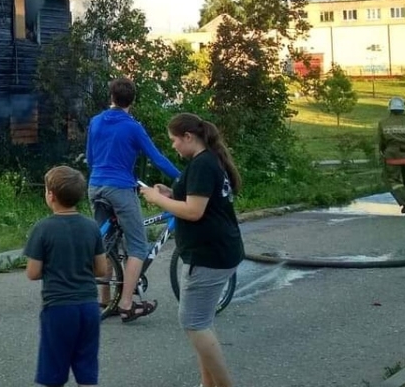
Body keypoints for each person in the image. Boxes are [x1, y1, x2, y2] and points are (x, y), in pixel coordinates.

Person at [141, 114, 243, 387]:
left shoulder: (202, 164)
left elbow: (194, 212)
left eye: (174, 140)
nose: (173, 146)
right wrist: (171, 193)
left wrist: (158, 199)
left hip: (208, 255)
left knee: (194, 324)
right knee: (202, 322)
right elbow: (199, 200)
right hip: (220, 251)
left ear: (188, 136)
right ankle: (207, 384)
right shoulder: (208, 160)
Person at [86, 77, 180, 321]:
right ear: (132, 100)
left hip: (95, 185)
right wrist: (182, 178)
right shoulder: (133, 127)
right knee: (138, 246)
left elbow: (90, 158)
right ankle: (127, 304)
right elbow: (157, 158)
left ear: (111, 97)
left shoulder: (95, 122)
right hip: (120, 187)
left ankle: (106, 299)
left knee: (105, 243)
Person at [24, 165, 108, 387]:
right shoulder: (91, 227)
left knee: (54, 371)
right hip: (89, 306)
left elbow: (32, 272)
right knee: (86, 367)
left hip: (59, 307)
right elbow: (101, 269)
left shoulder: (42, 228)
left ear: (50, 196)